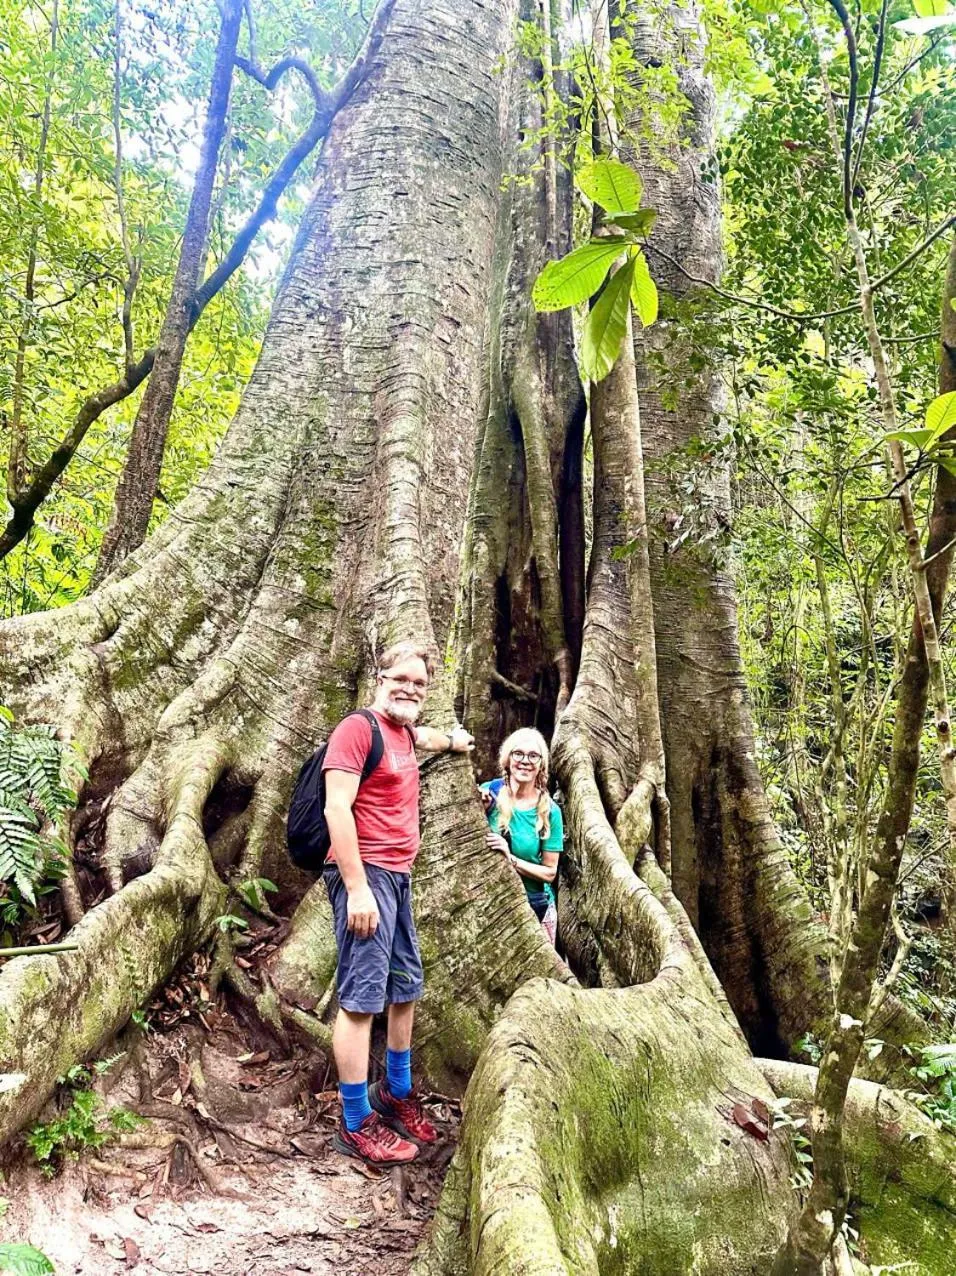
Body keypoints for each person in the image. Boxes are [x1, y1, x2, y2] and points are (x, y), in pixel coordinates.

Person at [322, 641, 474, 1166]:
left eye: (419, 683)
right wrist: (358, 887)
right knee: (362, 998)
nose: (409, 688)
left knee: (404, 986)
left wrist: (453, 741)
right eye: (400, 678)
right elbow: (336, 808)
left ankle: (396, 1091)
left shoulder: (404, 733)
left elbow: (425, 736)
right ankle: (357, 1119)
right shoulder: (356, 730)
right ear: (379, 677)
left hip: (400, 878)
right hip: (366, 877)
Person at [481, 728, 564, 942]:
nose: (525, 761)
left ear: (541, 766)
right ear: (507, 760)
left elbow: (549, 873)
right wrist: (480, 805)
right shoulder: (488, 793)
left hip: (533, 906)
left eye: (533, 756)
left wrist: (511, 859)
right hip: (488, 904)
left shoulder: (550, 811)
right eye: (518, 753)